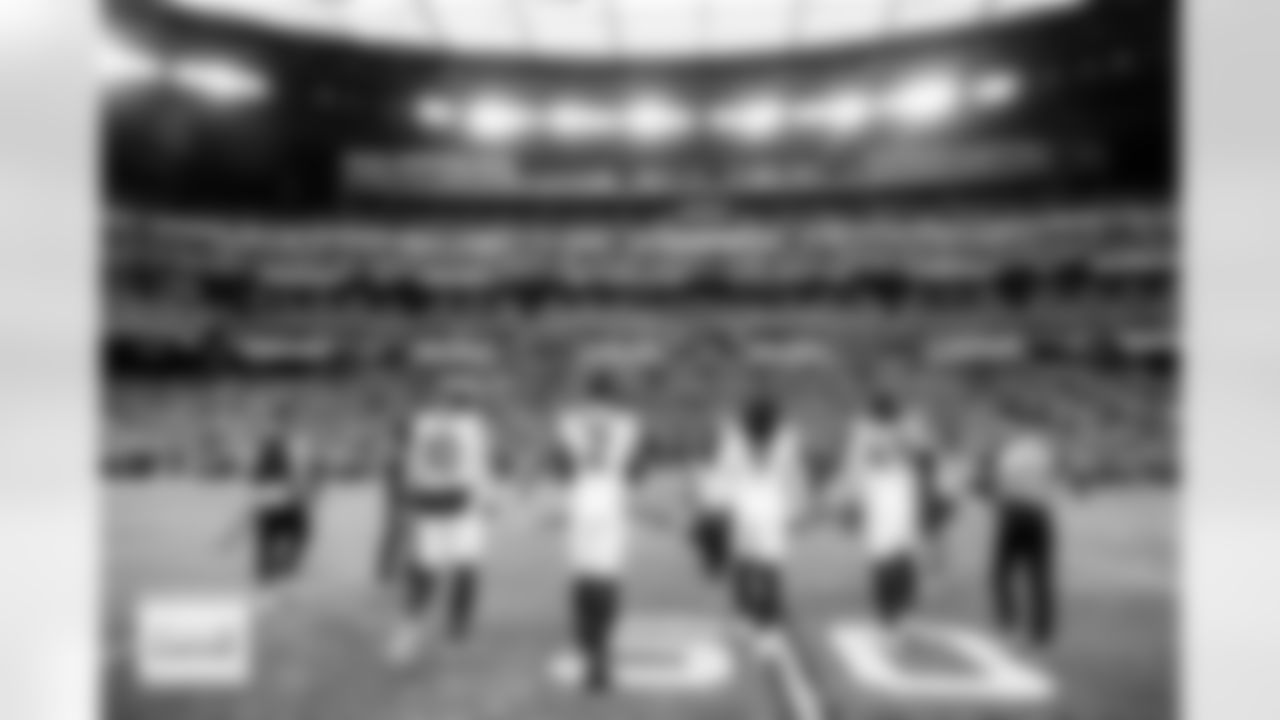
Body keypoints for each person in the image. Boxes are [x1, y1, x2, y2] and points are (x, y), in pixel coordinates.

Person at [381, 400, 497, 662]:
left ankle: (408, 631)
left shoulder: (419, 421)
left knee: (426, 573)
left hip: (429, 504)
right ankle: (456, 630)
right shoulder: (472, 427)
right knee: (466, 568)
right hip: (458, 503)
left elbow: (400, 441)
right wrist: (487, 499)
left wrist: (408, 490)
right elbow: (478, 467)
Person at [551, 375, 644, 694]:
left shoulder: (569, 423)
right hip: (612, 498)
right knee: (607, 579)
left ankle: (587, 640)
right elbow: (636, 469)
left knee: (582, 576)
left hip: (580, 498)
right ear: (613, 395)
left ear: (587, 393)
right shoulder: (627, 424)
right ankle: (601, 652)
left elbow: (560, 464)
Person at [723, 395, 807, 659]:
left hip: (751, 506)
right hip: (769, 507)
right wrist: (796, 509)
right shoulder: (786, 440)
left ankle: (749, 622)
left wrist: (722, 506)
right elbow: (794, 477)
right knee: (765, 571)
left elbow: (727, 475)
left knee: (748, 567)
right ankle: (765, 629)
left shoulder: (736, 439)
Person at [982, 404, 1064, 647]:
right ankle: (1041, 630)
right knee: (1040, 575)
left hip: (1014, 514)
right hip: (1040, 515)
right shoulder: (1044, 450)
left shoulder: (1010, 453)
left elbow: (998, 488)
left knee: (1000, 572)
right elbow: (1056, 479)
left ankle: (1007, 622)